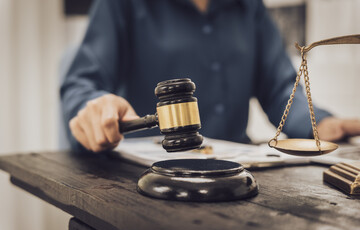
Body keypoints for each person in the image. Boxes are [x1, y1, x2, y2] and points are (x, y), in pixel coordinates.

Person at [60, 0, 360, 152]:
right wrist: (94, 107)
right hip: (145, 180)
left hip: (235, 177)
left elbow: (280, 88)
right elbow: (82, 83)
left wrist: (322, 123)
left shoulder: (248, 7)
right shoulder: (122, 4)